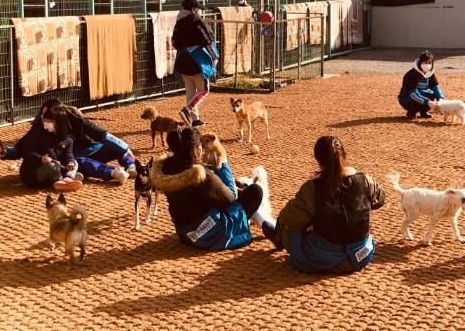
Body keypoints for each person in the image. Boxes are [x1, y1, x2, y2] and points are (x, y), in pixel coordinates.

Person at [259, 136, 385, 274]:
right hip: (363, 253)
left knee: (289, 225)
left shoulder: (313, 188)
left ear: (318, 160)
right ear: (344, 155)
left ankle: (280, 238)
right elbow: (380, 200)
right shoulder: (365, 180)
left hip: (328, 258)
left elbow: (288, 218)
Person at [150, 127, 265, 250]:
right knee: (255, 191)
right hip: (208, 235)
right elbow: (231, 197)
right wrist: (223, 162)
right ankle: (241, 224)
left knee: (213, 194)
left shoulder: (165, 170)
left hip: (184, 232)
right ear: (195, 150)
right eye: (200, 146)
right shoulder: (203, 176)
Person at [0, 99, 134, 189]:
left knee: (118, 149)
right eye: (42, 114)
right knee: (79, 162)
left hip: (86, 151)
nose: (43, 118)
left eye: (46, 115)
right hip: (72, 159)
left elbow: (101, 134)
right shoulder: (40, 128)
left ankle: (131, 167)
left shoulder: (75, 122)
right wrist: (6, 153)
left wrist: (124, 147)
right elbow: (24, 147)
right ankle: (111, 173)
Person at [172, 0, 217, 127]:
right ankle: (187, 110)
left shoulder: (178, 23)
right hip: (198, 63)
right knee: (204, 91)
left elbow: (174, 43)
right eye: (198, 8)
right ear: (193, 9)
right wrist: (215, 57)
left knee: (190, 92)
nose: (199, 11)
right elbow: (208, 40)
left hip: (182, 62)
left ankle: (195, 120)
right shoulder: (197, 20)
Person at [397, 50, 445, 119]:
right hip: (407, 97)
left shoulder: (430, 74)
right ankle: (411, 112)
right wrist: (428, 102)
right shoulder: (411, 74)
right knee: (414, 97)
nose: (427, 65)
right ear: (420, 62)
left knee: (431, 93)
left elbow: (435, 87)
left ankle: (424, 112)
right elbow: (413, 93)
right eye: (425, 62)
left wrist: (441, 99)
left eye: (429, 62)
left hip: (421, 93)